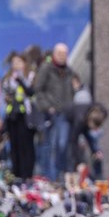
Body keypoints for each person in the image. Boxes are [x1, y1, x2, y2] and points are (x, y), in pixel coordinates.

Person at [32, 43, 76, 181]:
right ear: (54, 54)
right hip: (51, 113)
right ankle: (49, 176)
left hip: (65, 113)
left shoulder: (69, 71)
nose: (63, 57)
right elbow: (38, 90)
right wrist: (47, 107)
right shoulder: (46, 69)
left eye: (65, 54)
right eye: (60, 54)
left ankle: (59, 174)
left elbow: (73, 89)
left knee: (62, 145)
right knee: (50, 145)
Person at [2, 53, 36, 179]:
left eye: (18, 61)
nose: (15, 64)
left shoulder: (30, 76)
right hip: (12, 116)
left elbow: (31, 93)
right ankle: (16, 175)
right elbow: (5, 94)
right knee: (14, 146)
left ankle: (27, 175)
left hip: (26, 116)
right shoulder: (8, 79)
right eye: (13, 62)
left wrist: (20, 80)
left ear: (24, 63)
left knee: (26, 146)